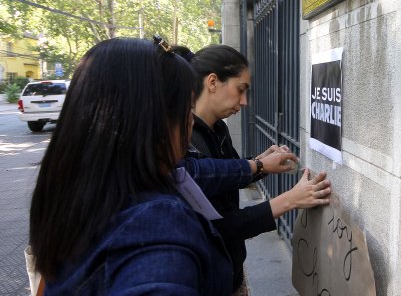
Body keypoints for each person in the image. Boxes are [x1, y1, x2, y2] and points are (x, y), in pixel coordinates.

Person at [28, 38, 306, 295]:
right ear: (150, 120)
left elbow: (208, 173)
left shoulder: (80, 197)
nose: (189, 120)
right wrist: (279, 191)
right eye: (184, 109)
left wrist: (258, 165)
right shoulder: (158, 233)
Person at [175, 44, 331, 296]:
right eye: (240, 90)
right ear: (213, 82)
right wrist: (289, 200)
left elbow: (226, 178)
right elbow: (221, 226)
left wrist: (260, 164)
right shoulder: (185, 139)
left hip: (230, 272)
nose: (244, 101)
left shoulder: (217, 128)